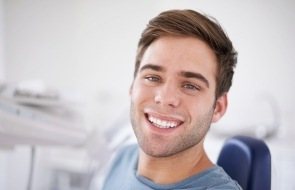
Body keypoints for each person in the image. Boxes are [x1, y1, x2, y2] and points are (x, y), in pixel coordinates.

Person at [102, 9, 241, 190]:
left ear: (218, 108)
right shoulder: (122, 160)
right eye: (152, 77)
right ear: (132, 86)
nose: (164, 98)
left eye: (190, 85)